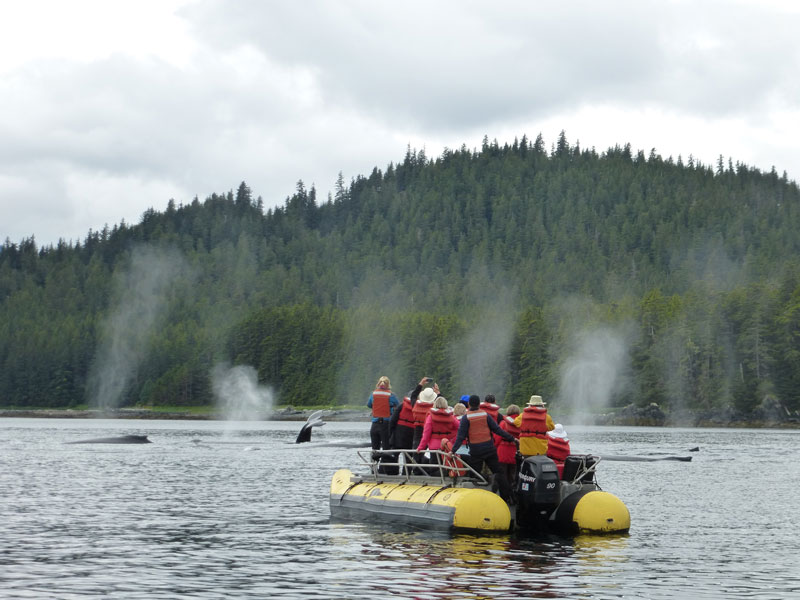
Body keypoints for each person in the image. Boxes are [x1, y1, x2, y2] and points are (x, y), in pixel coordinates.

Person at [450, 395, 517, 503]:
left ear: (469, 405)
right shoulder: (485, 415)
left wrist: (452, 451)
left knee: (474, 475)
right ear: (479, 404)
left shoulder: (466, 418)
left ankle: (474, 499)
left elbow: (460, 437)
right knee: (499, 472)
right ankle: (507, 497)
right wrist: (512, 438)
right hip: (490, 449)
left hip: (476, 451)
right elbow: (497, 430)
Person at [416, 396, 460, 470]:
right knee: (447, 467)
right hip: (447, 446)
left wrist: (420, 448)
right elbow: (460, 428)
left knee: (434, 469)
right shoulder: (451, 417)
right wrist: (453, 439)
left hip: (434, 448)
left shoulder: (430, 417)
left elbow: (426, 435)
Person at [367, 376, 399, 471]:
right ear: (388, 384)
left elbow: (369, 405)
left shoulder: (373, 394)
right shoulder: (391, 395)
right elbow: (398, 404)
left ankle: (374, 470)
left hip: (375, 424)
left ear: (378, 383)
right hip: (386, 424)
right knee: (386, 448)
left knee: (375, 448)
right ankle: (385, 469)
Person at [495, 404, 521, 486]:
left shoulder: (503, 423)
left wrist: (494, 449)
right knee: (512, 478)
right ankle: (512, 496)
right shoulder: (522, 424)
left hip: (502, 453)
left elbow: (497, 438)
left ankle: (502, 495)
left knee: (501, 477)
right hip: (515, 454)